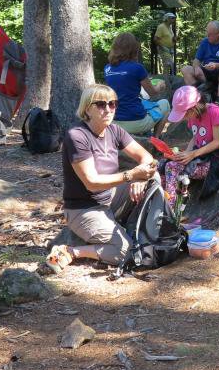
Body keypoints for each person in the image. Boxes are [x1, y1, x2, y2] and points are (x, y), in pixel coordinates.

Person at [44, 84, 158, 273]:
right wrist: (131, 175)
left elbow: (147, 158)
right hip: (84, 209)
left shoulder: (114, 130)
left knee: (154, 179)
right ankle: (71, 251)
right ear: (87, 109)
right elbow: (92, 182)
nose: (108, 109)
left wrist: (141, 178)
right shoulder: (77, 136)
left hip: (110, 198)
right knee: (126, 251)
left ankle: (149, 230)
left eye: (112, 104)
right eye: (100, 104)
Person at [160, 85, 219, 205]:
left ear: (193, 108)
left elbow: (217, 142)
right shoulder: (194, 116)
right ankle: (160, 198)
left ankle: (169, 206)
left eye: (184, 114)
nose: (184, 118)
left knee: (171, 167)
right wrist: (186, 153)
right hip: (197, 155)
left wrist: (193, 154)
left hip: (213, 160)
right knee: (161, 164)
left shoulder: (214, 112)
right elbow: (195, 137)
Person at [103, 32, 170, 137]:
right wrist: (160, 86)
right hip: (135, 121)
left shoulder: (107, 68)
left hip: (113, 121)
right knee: (165, 103)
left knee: (143, 103)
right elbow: (152, 93)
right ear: (134, 48)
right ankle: (155, 139)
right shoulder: (137, 68)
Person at [181, 20, 219, 107]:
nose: (207, 36)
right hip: (206, 73)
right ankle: (200, 93)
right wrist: (196, 67)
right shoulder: (205, 42)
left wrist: (216, 65)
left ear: (218, 34)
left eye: (210, 34)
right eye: (207, 33)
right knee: (186, 69)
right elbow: (196, 60)